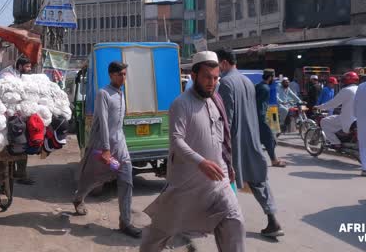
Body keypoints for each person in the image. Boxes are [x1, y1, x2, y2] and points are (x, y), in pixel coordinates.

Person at [141, 51, 244, 252]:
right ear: (194, 76)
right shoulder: (181, 104)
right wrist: (200, 162)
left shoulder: (216, 102)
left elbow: (222, 139)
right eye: (207, 77)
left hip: (217, 183)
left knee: (234, 222)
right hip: (187, 185)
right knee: (159, 233)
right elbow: (176, 141)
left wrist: (229, 166)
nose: (211, 83)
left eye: (215, 78)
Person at [217, 51, 285, 237]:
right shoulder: (247, 81)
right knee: (258, 180)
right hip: (252, 139)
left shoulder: (225, 83)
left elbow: (227, 118)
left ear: (223, 63)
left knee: (225, 182)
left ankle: (229, 225)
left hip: (236, 142)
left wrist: (220, 143)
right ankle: (272, 220)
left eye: (217, 65)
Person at [73, 61, 142, 238]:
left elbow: (118, 124)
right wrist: (105, 148)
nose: (123, 78)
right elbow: (103, 122)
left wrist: (119, 145)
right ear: (111, 75)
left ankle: (125, 222)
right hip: (102, 146)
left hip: (120, 145)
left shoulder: (121, 94)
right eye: (120, 74)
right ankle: (79, 198)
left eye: (125, 74)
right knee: (92, 178)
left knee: (127, 180)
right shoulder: (103, 94)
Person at [0, 56, 36, 185]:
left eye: (30, 67)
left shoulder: (21, 77)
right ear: (19, 66)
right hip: (8, 117)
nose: (29, 69)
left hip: (18, 116)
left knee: (21, 144)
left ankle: (21, 174)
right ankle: (6, 174)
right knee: (9, 144)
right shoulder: (7, 75)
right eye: (27, 67)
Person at [315, 72, 359, 148]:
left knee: (324, 121)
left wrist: (319, 107)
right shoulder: (360, 89)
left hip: (348, 119)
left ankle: (336, 143)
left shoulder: (346, 90)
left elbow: (333, 104)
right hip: (360, 119)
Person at [256, 69, 287, 169]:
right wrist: (263, 119)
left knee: (264, 140)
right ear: (270, 77)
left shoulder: (259, 85)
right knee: (270, 139)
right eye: (273, 77)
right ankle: (274, 160)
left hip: (261, 116)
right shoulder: (265, 88)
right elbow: (260, 105)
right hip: (262, 117)